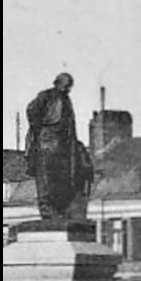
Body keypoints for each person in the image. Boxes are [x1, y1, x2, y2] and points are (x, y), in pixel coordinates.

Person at [24, 73, 91, 220]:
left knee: (62, 178)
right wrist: (41, 129)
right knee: (47, 179)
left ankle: (58, 210)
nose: (68, 88)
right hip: (47, 143)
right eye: (66, 84)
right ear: (58, 83)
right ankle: (48, 211)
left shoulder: (66, 100)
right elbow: (31, 110)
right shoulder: (46, 96)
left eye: (70, 85)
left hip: (63, 144)